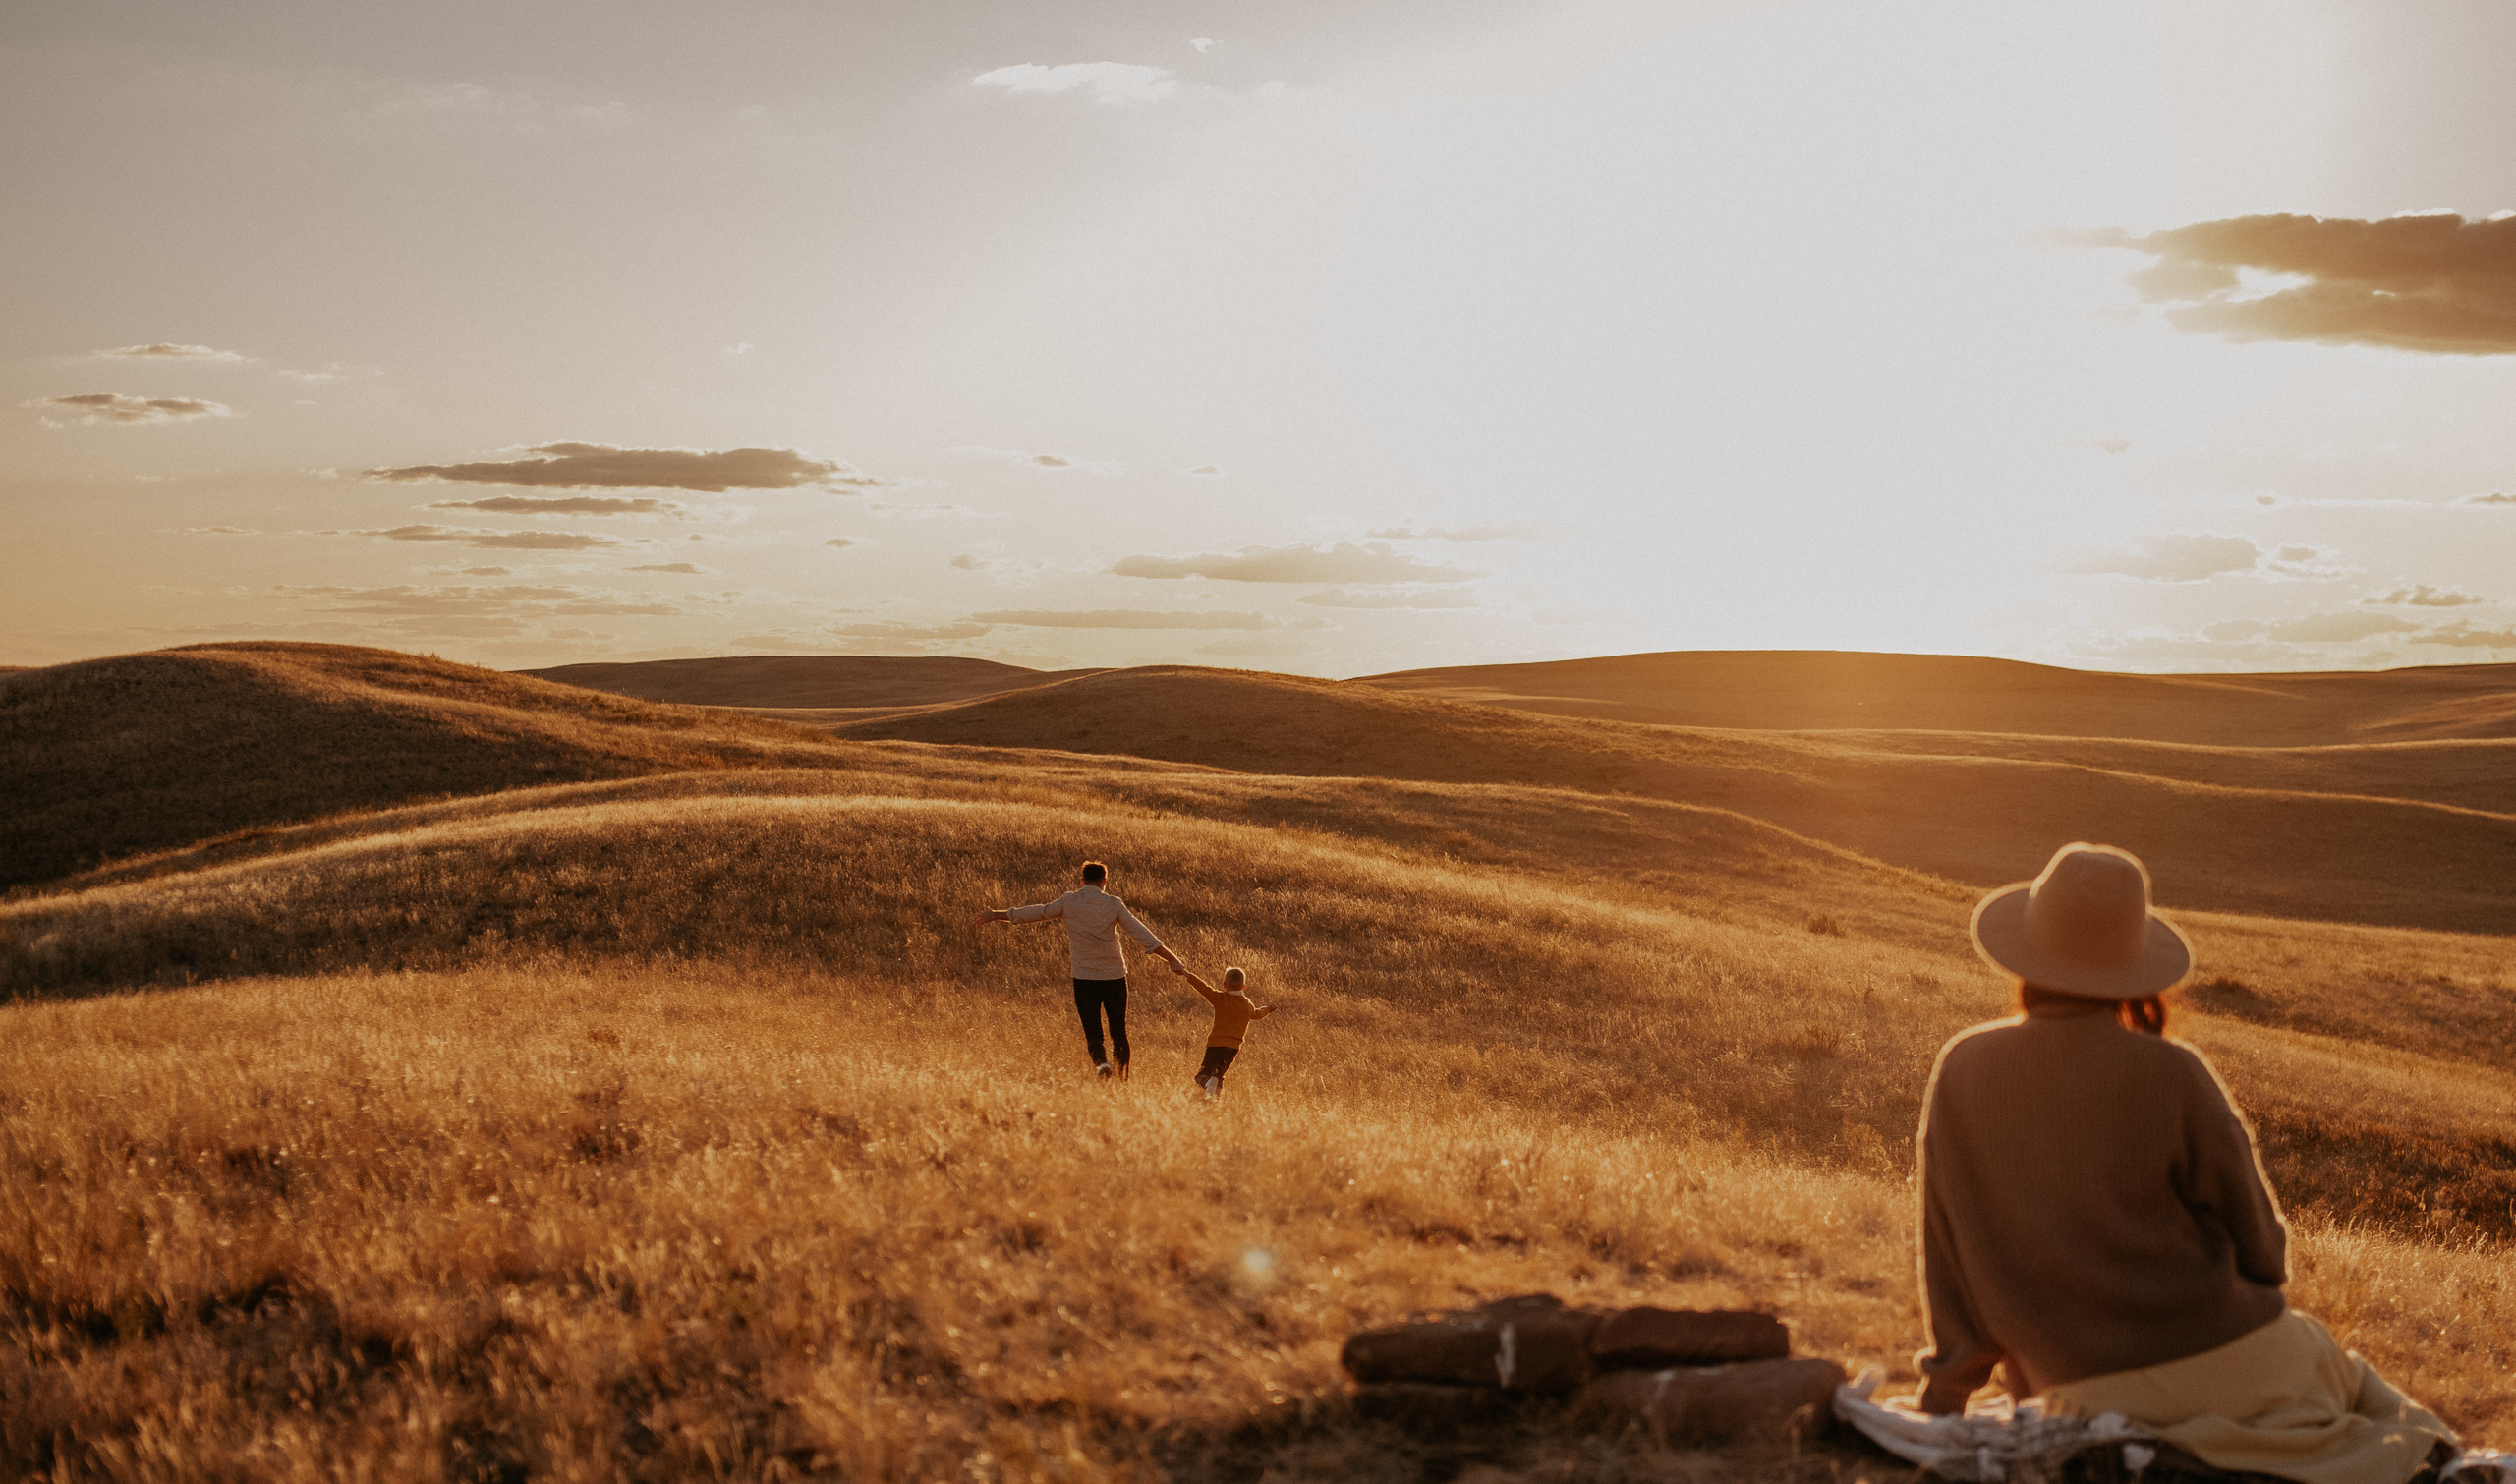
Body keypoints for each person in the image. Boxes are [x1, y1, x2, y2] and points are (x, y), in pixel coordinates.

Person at [1913, 841, 2463, 1484]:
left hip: (2075, 1389)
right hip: (2230, 1350)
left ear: (2027, 952)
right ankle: (2438, 1459)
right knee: (2353, 1380)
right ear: (2132, 964)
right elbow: (2263, 1249)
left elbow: (1947, 1253)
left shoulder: (1963, 1067)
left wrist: (1946, 1394)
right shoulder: (2173, 1072)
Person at [975, 859, 1181, 1080]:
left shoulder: (1069, 901)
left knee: (1093, 1032)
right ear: (1104, 882)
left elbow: (1038, 912)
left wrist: (997, 914)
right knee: (1119, 1031)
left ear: (1082, 880)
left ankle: (1101, 1063)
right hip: (1114, 977)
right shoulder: (1113, 904)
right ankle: (1123, 1079)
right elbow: (1140, 932)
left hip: (1084, 978)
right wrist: (1170, 958)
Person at [1168, 961, 1276, 1100]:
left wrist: (1186, 974)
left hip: (1215, 1045)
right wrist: (1268, 1009)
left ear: (1224, 985)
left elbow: (1203, 988)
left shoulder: (1220, 998)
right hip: (1233, 1048)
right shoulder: (1247, 1005)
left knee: (1202, 1076)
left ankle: (1207, 1085)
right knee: (1218, 1076)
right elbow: (1257, 1014)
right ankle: (1214, 1102)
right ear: (1243, 986)